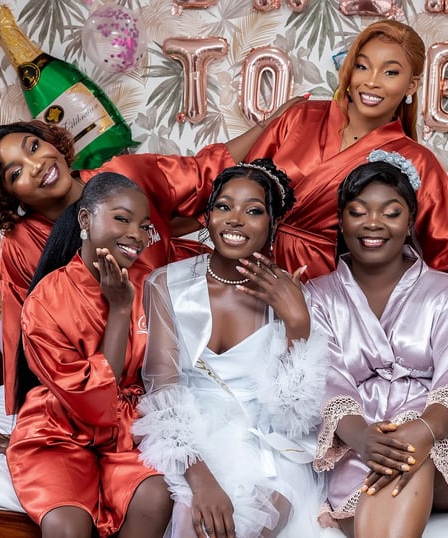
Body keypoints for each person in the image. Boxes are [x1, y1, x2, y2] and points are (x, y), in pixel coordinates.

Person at [0, 112, 294, 417]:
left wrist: (272, 123)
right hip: (110, 372)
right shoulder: (21, 243)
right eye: (16, 172)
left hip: (185, 333)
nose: (35, 165)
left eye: (34, 147)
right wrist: (23, 418)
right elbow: (23, 336)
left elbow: (204, 171)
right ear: (9, 195)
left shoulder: (126, 174)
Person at [243, 20, 448, 392]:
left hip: (325, 289)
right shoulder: (300, 118)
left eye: (390, 72)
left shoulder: (415, 160)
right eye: (362, 66)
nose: (372, 82)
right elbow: (243, 185)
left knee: (309, 395)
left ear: (412, 85)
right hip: (257, 271)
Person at [306, 154, 448, 538]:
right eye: (358, 212)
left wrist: (423, 430)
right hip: (359, 432)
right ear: (341, 221)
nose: (373, 223)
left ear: (410, 221)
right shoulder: (317, 296)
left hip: (438, 429)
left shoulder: (446, 291)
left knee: (411, 455)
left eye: (391, 213)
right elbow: (326, 376)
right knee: (372, 488)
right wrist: (363, 438)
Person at [132, 160, 328, 538]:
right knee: (191, 518)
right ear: (207, 216)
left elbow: (294, 417)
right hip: (190, 435)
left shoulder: (291, 295)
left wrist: (297, 325)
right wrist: (201, 479)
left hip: (268, 443)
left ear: (273, 224)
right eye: (224, 206)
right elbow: (162, 392)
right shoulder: (166, 284)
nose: (235, 219)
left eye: (253, 211)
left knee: (241, 525)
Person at [6, 172, 171, 538]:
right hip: (60, 429)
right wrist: (120, 310)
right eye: (122, 219)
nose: (136, 235)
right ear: (85, 219)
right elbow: (92, 399)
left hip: (130, 429)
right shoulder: (45, 301)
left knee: (157, 496)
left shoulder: (152, 285)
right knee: (67, 527)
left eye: (144, 227)